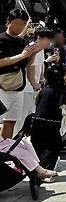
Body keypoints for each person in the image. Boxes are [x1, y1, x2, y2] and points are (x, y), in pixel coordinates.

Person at [0, 8, 40, 139]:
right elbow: (1, 62)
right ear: (8, 22)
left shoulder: (22, 42)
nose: (19, 27)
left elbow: (27, 65)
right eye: (17, 23)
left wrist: (32, 54)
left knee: (11, 121)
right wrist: (22, 55)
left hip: (18, 86)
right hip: (2, 86)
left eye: (23, 24)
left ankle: (5, 150)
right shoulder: (1, 39)